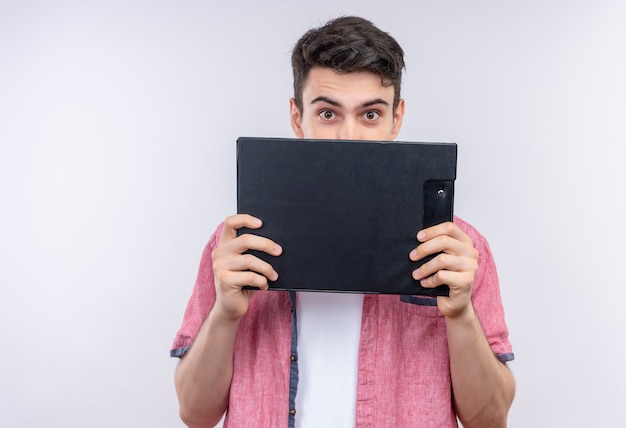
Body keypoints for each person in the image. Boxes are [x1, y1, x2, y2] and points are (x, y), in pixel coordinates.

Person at [171, 16, 515, 428]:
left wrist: (461, 316)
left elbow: (490, 419)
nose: (349, 136)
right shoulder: (240, 242)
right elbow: (195, 415)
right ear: (298, 118)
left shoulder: (458, 247)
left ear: (396, 119)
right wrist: (225, 315)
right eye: (328, 114)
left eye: (370, 114)